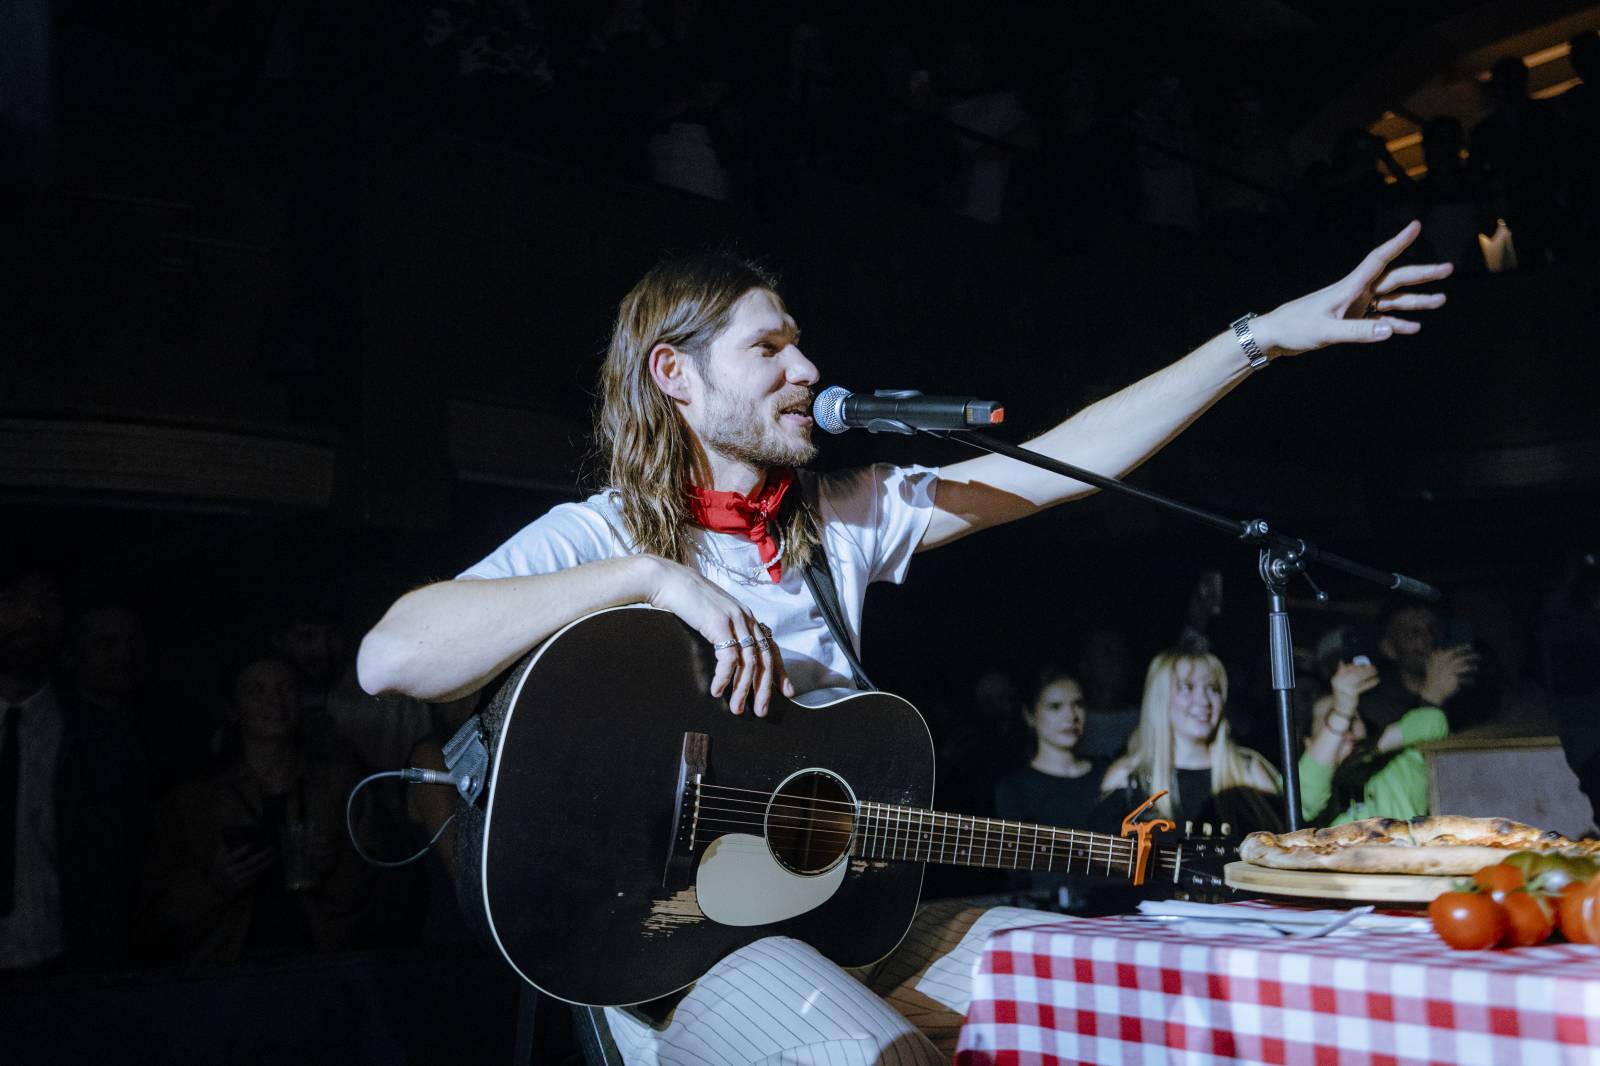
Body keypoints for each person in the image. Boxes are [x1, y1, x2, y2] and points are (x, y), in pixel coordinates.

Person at [358, 226, 1450, 1063]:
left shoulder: (840, 520)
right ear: (674, 375)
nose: (804, 366)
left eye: (800, 341)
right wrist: (651, 578)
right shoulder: (600, 535)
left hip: (842, 929)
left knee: (1121, 987)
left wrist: (1256, 341)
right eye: (768, 347)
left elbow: (1061, 463)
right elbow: (391, 656)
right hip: (676, 959)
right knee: (871, 1057)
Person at [1099, 650, 1283, 834]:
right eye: (1187, 687)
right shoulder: (1126, 779)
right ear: (1160, 697)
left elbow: (1285, 844)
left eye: (1213, 688)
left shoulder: (1249, 773)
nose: (1203, 701)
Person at [994, 671, 1109, 908]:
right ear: (1030, 715)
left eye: (1078, 704)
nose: (1071, 716)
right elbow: (1018, 873)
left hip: (1114, 905)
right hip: (1049, 913)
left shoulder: (1108, 772)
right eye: (1055, 707)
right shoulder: (1015, 788)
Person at [1298, 659, 1448, 826]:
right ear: (1309, 742)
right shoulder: (1301, 778)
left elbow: (1434, 721)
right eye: (1330, 718)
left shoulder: (1398, 761)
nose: (1346, 725)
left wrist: (1366, 748)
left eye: (1353, 717)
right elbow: (1305, 801)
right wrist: (1341, 713)